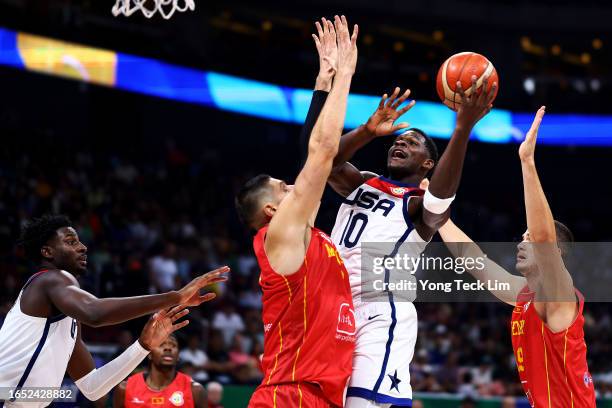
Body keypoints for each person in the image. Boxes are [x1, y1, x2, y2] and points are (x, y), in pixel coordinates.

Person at [321, 72, 496, 405]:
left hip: (380, 310)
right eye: (399, 140)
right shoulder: (363, 182)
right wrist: (366, 131)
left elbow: (441, 200)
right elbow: (324, 162)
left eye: (411, 143)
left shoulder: (418, 205)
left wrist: (462, 129)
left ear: (427, 163)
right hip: (334, 308)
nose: (400, 142)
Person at [235, 16, 358, 407]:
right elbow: (321, 155)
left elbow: (314, 157)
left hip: (317, 396)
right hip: (288, 395)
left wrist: (324, 80)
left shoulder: (306, 237)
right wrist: (347, 77)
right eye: (284, 188)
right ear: (272, 210)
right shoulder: (280, 236)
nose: (294, 186)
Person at [439, 107, 596, 407]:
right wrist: (438, 217)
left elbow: (543, 237)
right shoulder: (525, 296)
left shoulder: (560, 295)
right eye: (522, 238)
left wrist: (527, 161)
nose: (521, 243)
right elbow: (477, 264)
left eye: (528, 238)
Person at [0, 215, 228, 407]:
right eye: (70, 242)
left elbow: (93, 388)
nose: (82, 247)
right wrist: (175, 297)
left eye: (79, 241)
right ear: (47, 252)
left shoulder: (67, 321)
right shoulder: (50, 279)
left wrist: (143, 346)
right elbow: (95, 312)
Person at [113, 334, 206, 408]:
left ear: (178, 356)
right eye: (161, 345)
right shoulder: (125, 388)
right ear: (149, 354)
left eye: (173, 345)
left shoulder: (195, 390)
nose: (168, 348)